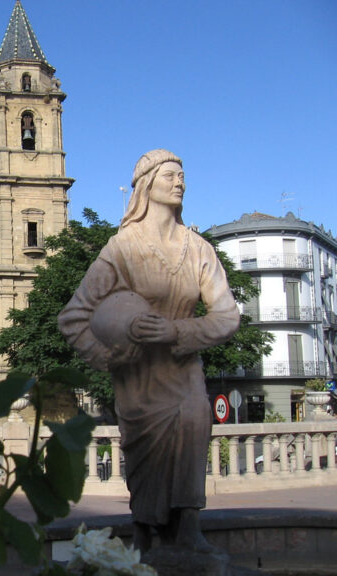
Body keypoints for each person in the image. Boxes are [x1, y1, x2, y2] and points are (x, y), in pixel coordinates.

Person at [58, 149, 240, 552]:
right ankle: (146, 527)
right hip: (138, 377)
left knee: (194, 424)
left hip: (183, 369)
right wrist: (107, 357)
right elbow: (73, 317)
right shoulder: (121, 248)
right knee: (147, 459)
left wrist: (174, 330)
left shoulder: (199, 249)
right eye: (171, 175)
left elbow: (227, 316)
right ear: (146, 184)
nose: (180, 182)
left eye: (182, 176)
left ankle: (189, 526)